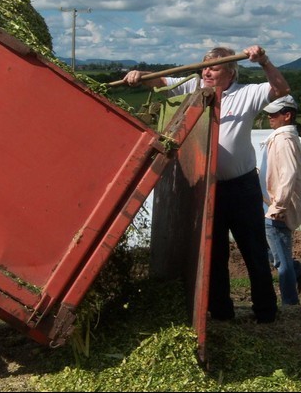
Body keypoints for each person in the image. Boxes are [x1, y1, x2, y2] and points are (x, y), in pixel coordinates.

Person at [122, 45, 290, 323]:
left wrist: (264, 61)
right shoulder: (194, 87)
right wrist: (139, 75)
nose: (207, 72)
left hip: (242, 187)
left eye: (214, 67)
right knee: (215, 254)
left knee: (254, 251)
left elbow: (282, 89)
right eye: (204, 67)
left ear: (231, 72)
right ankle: (221, 312)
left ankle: (266, 312)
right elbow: (161, 80)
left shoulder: (246, 93)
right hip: (208, 188)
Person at [259, 94, 301, 306]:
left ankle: (290, 304)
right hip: (268, 205)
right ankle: (298, 272)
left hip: (277, 208)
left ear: (287, 115)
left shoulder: (284, 140)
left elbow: (288, 174)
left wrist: (278, 206)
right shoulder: (279, 138)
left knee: (281, 261)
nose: (270, 116)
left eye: (275, 113)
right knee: (267, 250)